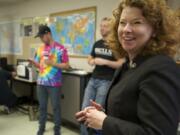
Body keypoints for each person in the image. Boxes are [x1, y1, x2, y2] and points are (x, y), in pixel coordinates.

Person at [76, 0, 180, 135]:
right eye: (122, 23)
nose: (126, 29)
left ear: (155, 30)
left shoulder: (162, 68)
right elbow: (130, 113)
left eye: (137, 22)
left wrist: (105, 122)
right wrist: (102, 114)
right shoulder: (128, 65)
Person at [81, 17, 125, 135]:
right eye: (101, 26)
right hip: (93, 79)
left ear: (111, 28)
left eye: (105, 26)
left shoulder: (116, 45)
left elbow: (121, 63)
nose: (102, 28)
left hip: (106, 82)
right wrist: (92, 60)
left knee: (98, 113)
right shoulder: (97, 43)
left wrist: (105, 62)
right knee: (84, 109)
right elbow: (90, 57)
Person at [29, 25, 69, 135]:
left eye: (42, 36)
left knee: (56, 107)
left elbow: (66, 65)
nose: (41, 39)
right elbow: (39, 65)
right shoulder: (40, 48)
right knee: (42, 107)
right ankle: (41, 127)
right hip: (41, 83)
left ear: (48, 34)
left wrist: (53, 63)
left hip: (54, 84)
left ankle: (57, 129)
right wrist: (33, 62)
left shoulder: (61, 48)